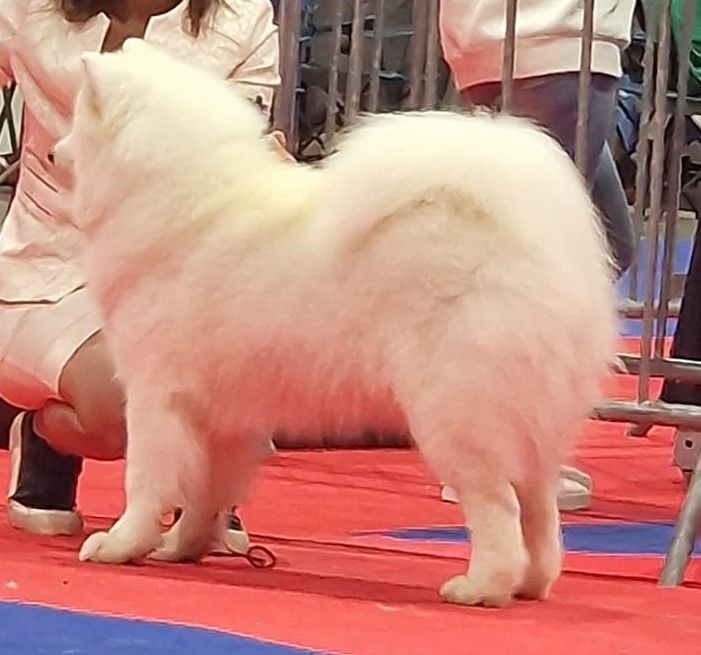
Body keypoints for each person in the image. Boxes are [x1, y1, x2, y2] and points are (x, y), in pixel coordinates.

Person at [0, 0, 282, 550]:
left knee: (237, 369)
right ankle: (48, 438)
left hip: (178, 271)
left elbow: (248, 142)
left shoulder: (242, 18)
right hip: (46, 267)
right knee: (128, 401)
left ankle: (203, 493)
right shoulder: (27, 8)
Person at [438, 0, 637, 511]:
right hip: (562, 38)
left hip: (491, 40)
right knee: (540, 264)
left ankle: (487, 448)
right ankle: (496, 458)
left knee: (607, 243)